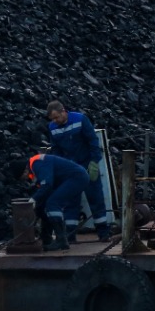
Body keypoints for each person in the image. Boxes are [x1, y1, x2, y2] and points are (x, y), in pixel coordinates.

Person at [45, 100, 113, 240]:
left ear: (64, 111)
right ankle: (70, 235)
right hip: (70, 169)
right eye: (52, 119)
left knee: (95, 197)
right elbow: (56, 149)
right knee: (71, 201)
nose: (55, 121)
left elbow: (93, 141)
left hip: (86, 164)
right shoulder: (52, 127)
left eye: (57, 117)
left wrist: (94, 162)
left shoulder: (80, 119)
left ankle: (103, 232)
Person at [10, 152, 92, 251]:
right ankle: (47, 238)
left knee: (53, 203)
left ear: (24, 171)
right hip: (73, 178)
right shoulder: (35, 167)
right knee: (45, 205)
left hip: (77, 178)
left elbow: (47, 184)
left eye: (22, 178)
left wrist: (33, 199)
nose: (25, 180)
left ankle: (61, 240)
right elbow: (45, 188)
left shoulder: (37, 163)